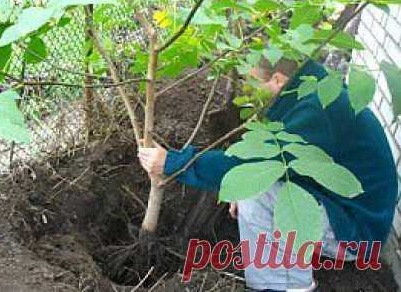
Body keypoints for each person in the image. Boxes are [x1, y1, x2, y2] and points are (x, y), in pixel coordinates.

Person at [137, 58, 398, 292]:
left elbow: (251, 166)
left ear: (277, 80)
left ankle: (291, 285)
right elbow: (295, 162)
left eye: (254, 83)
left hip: (358, 234)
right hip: (351, 209)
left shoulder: (316, 111)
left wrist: (175, 162)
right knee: (256, 186)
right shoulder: (314, 91)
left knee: (256, 192)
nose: (250, 93)